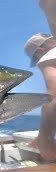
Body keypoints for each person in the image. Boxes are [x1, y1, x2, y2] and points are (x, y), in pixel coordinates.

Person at [24, 33, 56, 161]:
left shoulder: (50, 55)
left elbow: (53, 97)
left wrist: (45, 139)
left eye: (36, 59)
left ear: (40, 51)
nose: (38, 63)